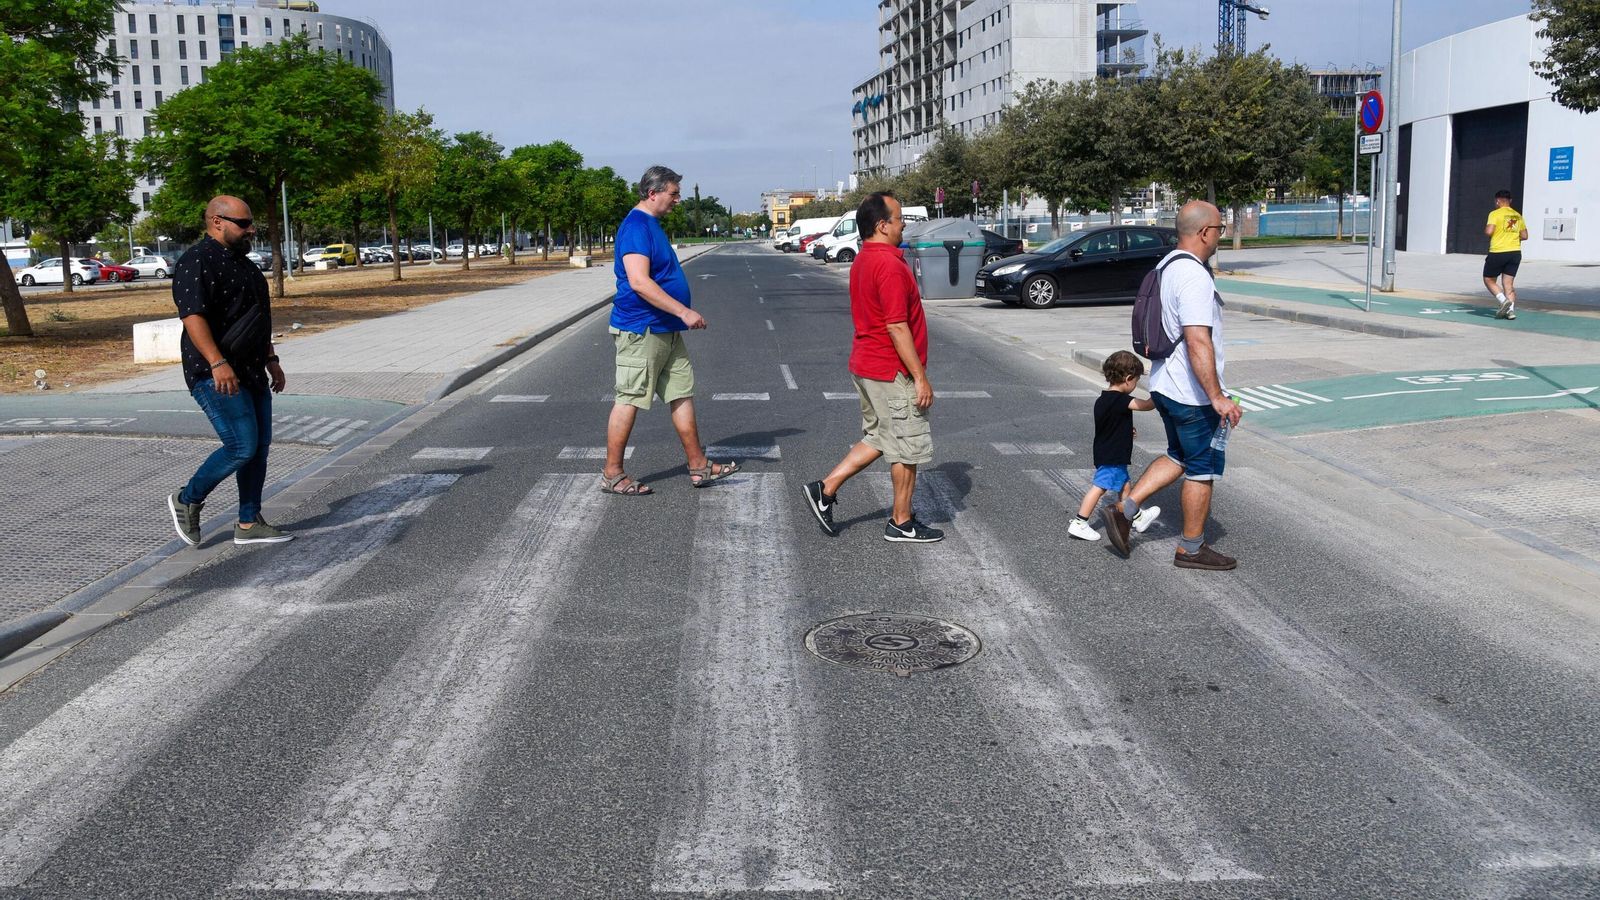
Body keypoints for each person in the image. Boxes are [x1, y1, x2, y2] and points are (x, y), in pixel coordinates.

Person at [1104, 200, 1241, 570]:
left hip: (1164, 382)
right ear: (1204, 232)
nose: (1220, 236)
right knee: (1202, 466)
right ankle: (1191, 549)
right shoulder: (1194, 275)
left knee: (1178, 454)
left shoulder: (1165, 266)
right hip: (1191, 392)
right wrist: (1216, 396)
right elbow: (1197, 339)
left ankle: (1124, 508)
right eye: (1220, 229)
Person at [802, 192, 942, 543]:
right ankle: (901, 521)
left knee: (880, 436)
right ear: (882, 226)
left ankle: (825, 489)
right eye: (898, 218)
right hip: (890, 370)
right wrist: (920, 378)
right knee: (907, 447)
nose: (903, 223)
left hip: (866, 365)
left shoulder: (864, 260)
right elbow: (897, 326)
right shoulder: (890, 266)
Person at [600, 165, 739, 495]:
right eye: (673, 194)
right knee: (629, 399)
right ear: (653, 193)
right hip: (642, 329)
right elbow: (638, 281)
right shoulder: (636, 226)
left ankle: (698, 465)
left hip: (664, 328)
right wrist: (684, 311)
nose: (678, 200)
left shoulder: (651, 224)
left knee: (680, 392)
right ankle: (612, 473)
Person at [166, 195, 292, 547]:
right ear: (216, 221)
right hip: (214, 372)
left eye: (252, 223)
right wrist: (216, 363)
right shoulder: (197, 261)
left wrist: (271, 359)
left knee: (259, 447)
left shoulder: (247, 267)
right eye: (243, 224)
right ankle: (187, 498)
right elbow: (193, 316)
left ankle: (249, 523)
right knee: (241, 446)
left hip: (251, 369)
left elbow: (258, 319)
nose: (251, 230)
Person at [1068, 350, 1161, 542]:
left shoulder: (1103, 400)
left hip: (1107, 452)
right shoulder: (1122, 401)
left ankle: (1136, 517)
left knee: (1125, 486)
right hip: (1113, 455)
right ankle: (1079, 522)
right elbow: (1147, 405)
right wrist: (1159, 393)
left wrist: (1126, 431)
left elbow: (1109, 425)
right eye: (1135, 381)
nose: (1135, 385)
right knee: (1100, 487)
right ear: (1128, 379)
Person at [1484, 189, 1528, 320]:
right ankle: (1510, 312)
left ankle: (1504, 301)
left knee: (1489, 279)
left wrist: (1489, 229)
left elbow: (1489, 231)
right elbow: (1525, 235)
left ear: (1497, 201)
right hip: (1514, 252)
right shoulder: (1517, 215)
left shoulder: (1494, 214)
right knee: (1508, 284)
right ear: (1511, 201)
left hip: (1498, 251)